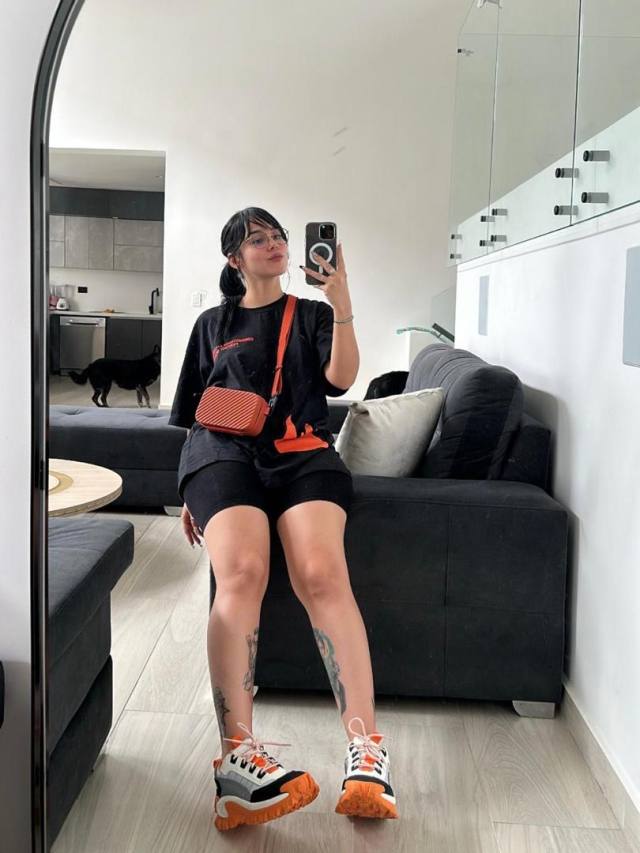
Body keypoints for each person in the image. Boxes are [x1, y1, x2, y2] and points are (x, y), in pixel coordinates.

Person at [169, 207, 398, 831]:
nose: (273, 245)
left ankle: (366, 752)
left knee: (321, 574)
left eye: (278, 237)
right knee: (242, 572)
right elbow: (194, 412)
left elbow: (341, 379)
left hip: (303, 454)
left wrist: (341, 299)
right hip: (222, 455)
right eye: (257, 239)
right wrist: (196, 488)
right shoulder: (212, 324)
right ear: (233, 258)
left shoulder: (314, 314)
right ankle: (236, 763)